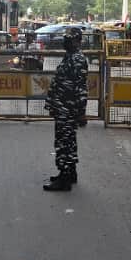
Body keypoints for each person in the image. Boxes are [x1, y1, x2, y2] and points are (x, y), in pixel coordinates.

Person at [43, 27, 89, 191]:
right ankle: (69, 173)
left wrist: (81, 112)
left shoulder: (77, 59)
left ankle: (64, 179)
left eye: (69, 39)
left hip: (68, 109)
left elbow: (80, 88)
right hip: (63, 107)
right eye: (66, 39)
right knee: (68, 141)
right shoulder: (71, 57)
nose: (66, 42)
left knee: (64, 143)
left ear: (77, 41)